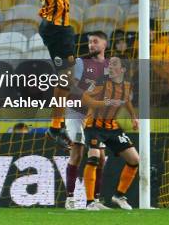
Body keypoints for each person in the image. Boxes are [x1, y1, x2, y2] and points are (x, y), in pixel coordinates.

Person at [11, 0, 80, 150]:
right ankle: (56, 127)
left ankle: (57, 126)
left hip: (52, 28)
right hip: (58, 30)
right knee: (67, 78)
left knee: (67, 77)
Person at [82, 57, 139, 210]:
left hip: (112, 127)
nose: (110, 67)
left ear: (123, 70)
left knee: (134, 159)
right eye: (109, 64)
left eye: (114, 64)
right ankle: (90, 202)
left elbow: (126, 100)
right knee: (94, 157)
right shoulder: (101, 81)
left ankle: (119, 196)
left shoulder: (127, 86)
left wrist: (134, 117)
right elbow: (85, 98)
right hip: (93, 125)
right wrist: (104, 103)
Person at [64, 31, 110, 210]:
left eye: (95, 42)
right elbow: (71, 86)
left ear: (104, 45)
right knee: (77, 153)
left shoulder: (109, 66)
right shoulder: (81, 63)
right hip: (76, 112)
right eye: (90, 42)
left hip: (94, 115)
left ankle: (95, 201)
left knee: (101, 157)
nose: (91, 45)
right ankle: (70, 198)